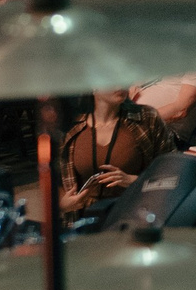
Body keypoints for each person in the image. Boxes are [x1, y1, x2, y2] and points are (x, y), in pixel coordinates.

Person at [57, 90, 171, 218]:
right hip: (86, 221)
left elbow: (173, 173)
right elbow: (58, 181)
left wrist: (135, 181)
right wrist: (62, 205)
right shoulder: (71, 127)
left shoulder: (147, 118)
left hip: (135, 217)